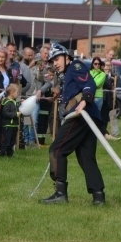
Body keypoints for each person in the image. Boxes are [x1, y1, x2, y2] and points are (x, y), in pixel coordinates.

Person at [42, 43, 105, 205]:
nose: (55, 63)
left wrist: (84, 101)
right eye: (52, 61)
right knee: (86, 157)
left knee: (57, 149)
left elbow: (89, 83)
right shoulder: (67, 73)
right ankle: (98, 197)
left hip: (81, 115)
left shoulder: (75, 66)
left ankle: (60, 193)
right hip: (87, 116)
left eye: (57, 59)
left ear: (67, 57)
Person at [0, 83, 20, 157]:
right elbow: (5, 113)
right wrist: (15, 114)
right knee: (6, 141)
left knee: (12, 141)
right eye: (17, 92)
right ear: (11, 93)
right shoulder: (7, 102)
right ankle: (2, 154)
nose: (18, 94)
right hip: (8, 125)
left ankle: (10, 154)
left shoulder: (14, 102)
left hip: (14, 125)